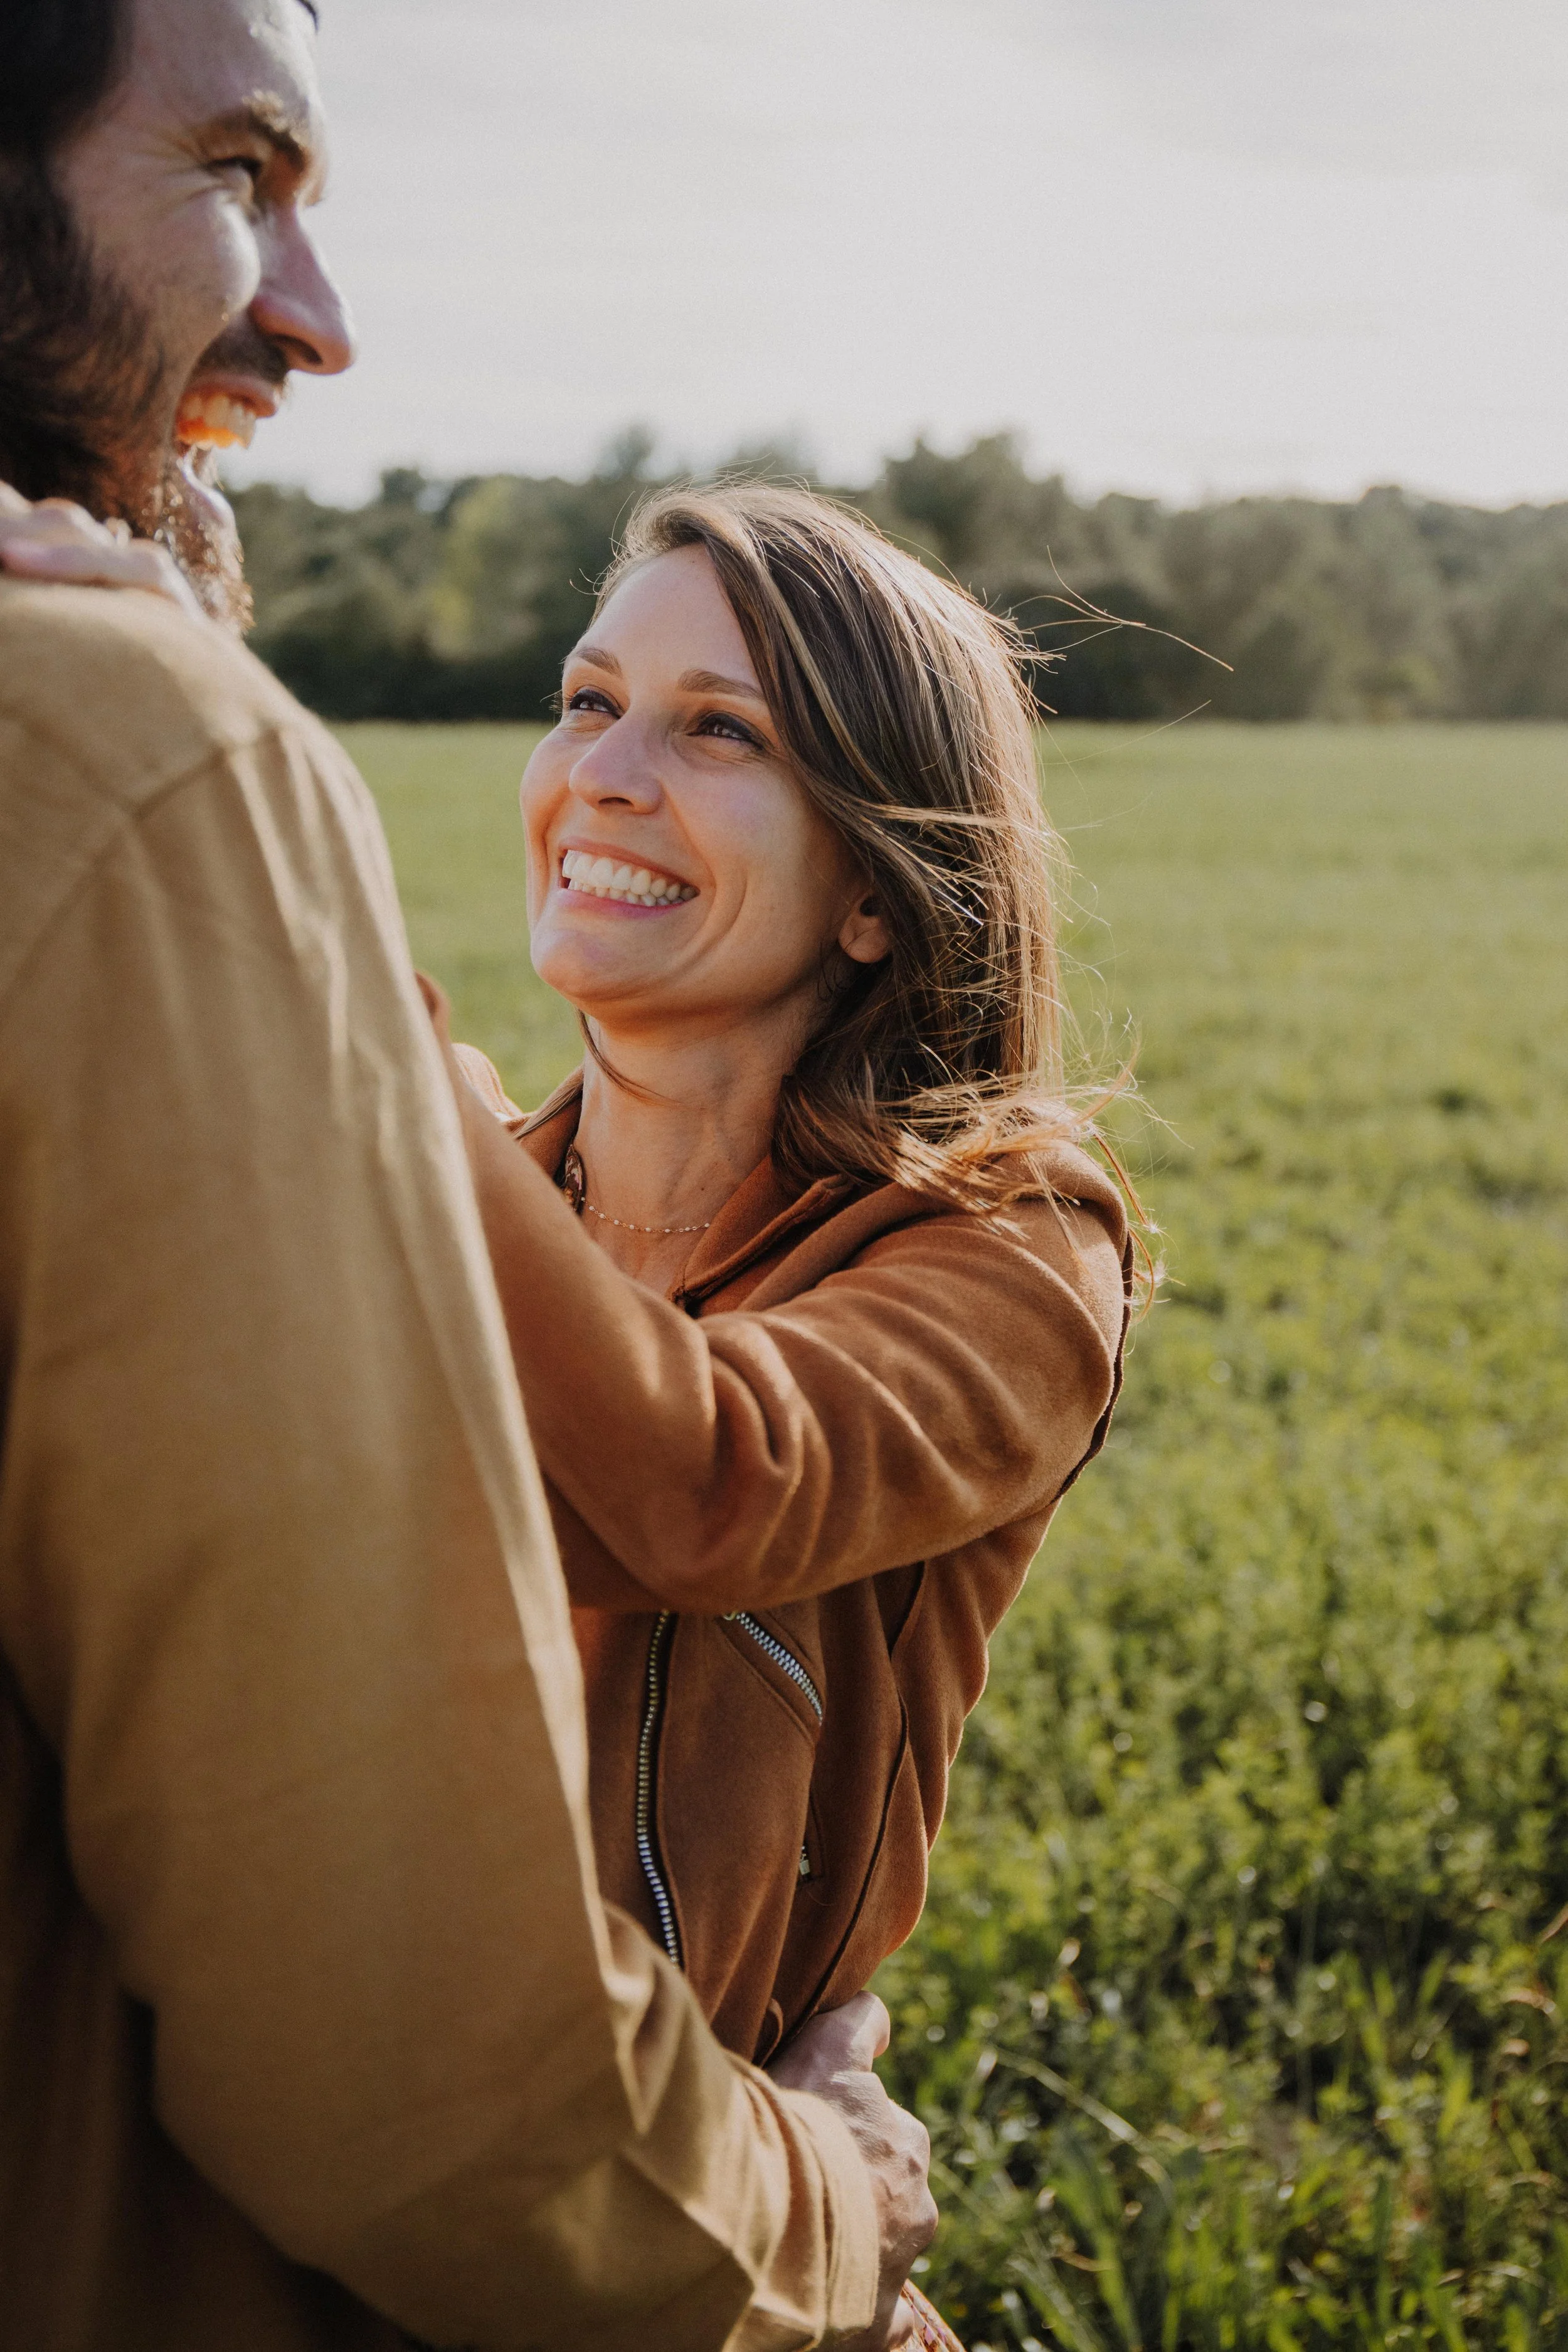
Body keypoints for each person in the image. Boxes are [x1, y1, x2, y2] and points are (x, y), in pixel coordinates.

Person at [0, 3, 935, 2346]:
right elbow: (418, 2082)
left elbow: (721, 1474)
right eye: (238, 171)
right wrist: (822, 2209)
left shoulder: (1021, 1226)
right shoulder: (124, 757)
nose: (321, 318)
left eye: (719, 729)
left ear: (882, 879)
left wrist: (332, 1010)